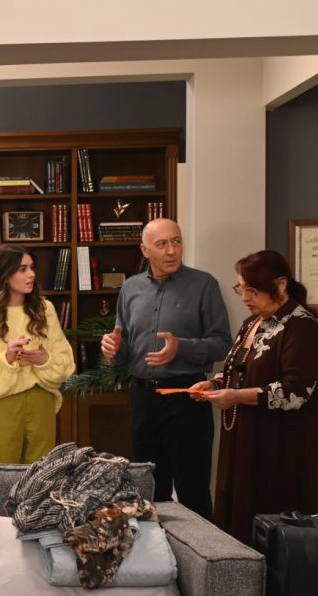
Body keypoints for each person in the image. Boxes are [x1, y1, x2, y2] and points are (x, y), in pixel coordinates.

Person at [190, 250, 318, 542]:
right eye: (241, 289)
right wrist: (214, 384)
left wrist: (236, 396)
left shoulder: (303, 326)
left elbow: (294, 393)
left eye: (253, 290)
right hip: (244, 438)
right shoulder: (251, 323)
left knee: (271, 514)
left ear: (280, 284)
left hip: (282, 445)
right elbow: (240, 369)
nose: (245, 298)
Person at [100, 218, 231, 520]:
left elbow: (223, 344)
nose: (172, 251)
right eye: (162, 244)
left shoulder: (204, 285)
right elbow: (124, 350)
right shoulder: (130, 288)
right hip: (142, 398)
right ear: (145, 250)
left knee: (193, 489)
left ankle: (201, 551)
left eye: (177, 241)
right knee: (148, 490)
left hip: (187, 396)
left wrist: (180, 347)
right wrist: (114, 350)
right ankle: (155, 550)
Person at [0, 244, 74, 463]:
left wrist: (44, 360)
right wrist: (6, 359)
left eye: (32, 267)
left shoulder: (45, 310)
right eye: (22, 269)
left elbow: (66, 363)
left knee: (40, 475)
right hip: (1, 406)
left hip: (42, 404)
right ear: (4, 274)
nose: (31, 274)